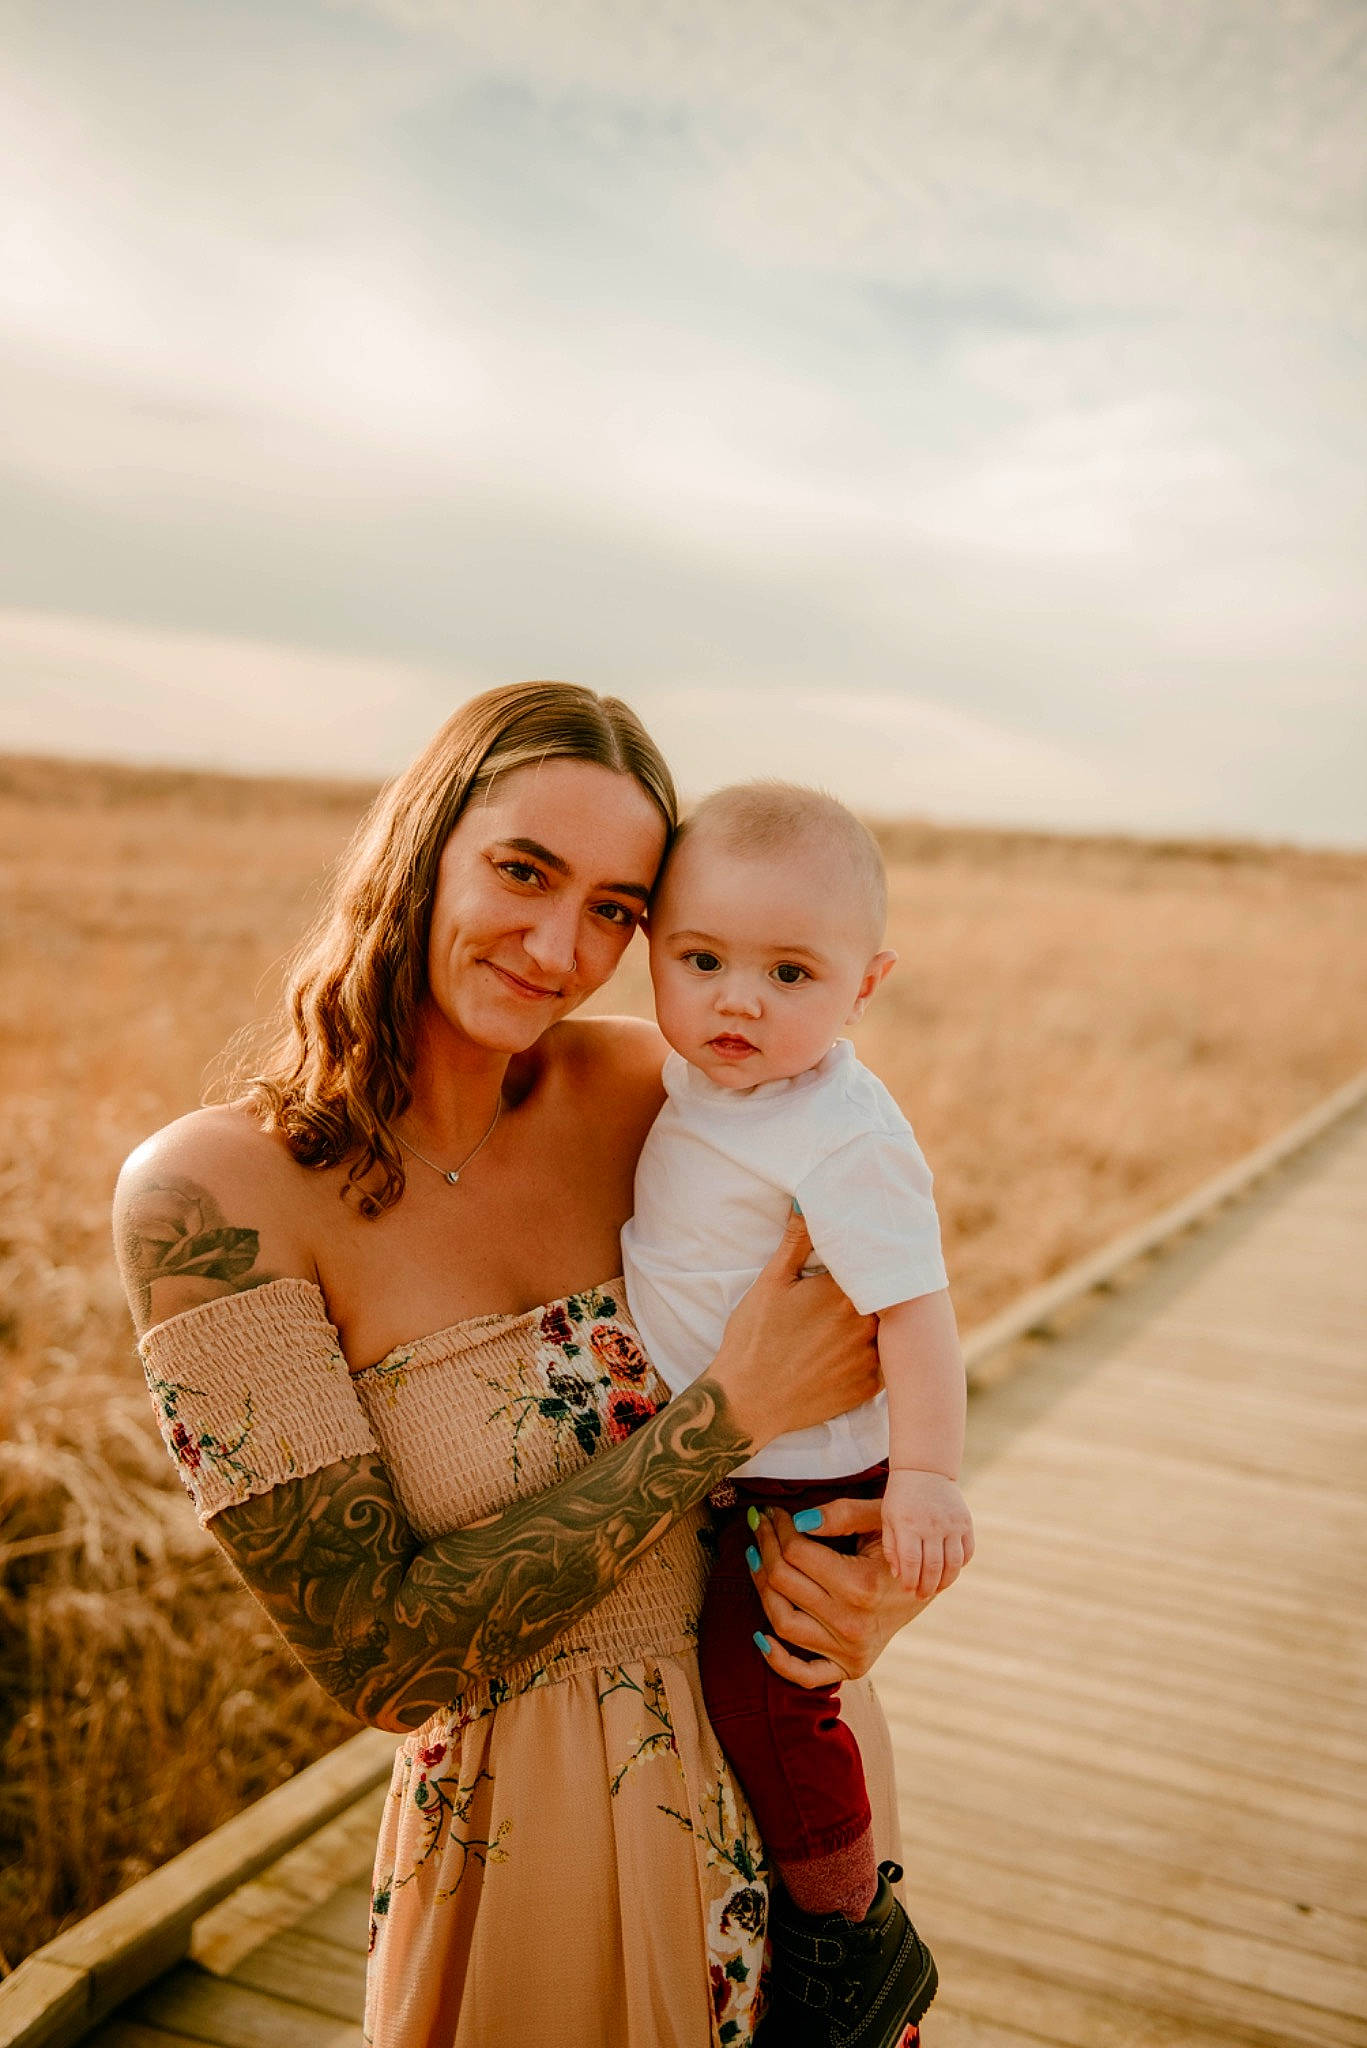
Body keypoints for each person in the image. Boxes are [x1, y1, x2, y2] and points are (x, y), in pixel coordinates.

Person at [112, 683, 933, 2048]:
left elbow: (869, 1344)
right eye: (522, 871)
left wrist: (869, 1597)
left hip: (798, 1792)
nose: (561, 947)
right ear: (420, 845)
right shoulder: (216, 1198)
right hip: (530, 1844)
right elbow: (376, 1661)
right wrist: (716, 1421)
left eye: (616, 907)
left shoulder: (661, 1096)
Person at [622, 781, 974, 2047]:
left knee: (772, 1683)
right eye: (701, 957)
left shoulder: (839, 1131)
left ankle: (845, 1938)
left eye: (788, 971)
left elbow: (915, 1312)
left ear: (863, 985)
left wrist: (927, 1476)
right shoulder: (701, 1078)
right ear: (652, 945)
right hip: (736, 1455)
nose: (736, 999)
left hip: (802, 1478)